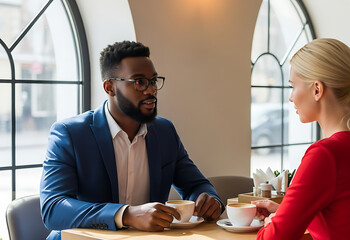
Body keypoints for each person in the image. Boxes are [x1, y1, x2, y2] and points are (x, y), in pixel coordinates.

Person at [40, 41, 224, 240]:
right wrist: (126, 215)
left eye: (153, 81)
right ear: (109, 87)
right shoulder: (70, 133)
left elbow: (196, 185)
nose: (151, 90)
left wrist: (209, 199)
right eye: (139, 82)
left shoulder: (164, 131)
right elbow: (53, 208)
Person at [253, 38, 350, 239]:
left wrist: (270, 224)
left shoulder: (325, 155)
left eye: (293, 86)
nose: (291, 97)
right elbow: (348, 220)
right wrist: (285, 212)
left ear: (317, 90)